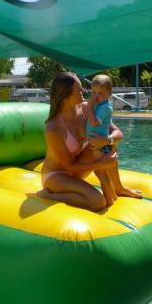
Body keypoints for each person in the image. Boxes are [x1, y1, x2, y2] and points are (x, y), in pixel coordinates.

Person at [37, 72, 117, 211]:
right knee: (97, 202)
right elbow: (69, 166)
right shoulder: (54, 128)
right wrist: (100, 163)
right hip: (56, 175)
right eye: (79, 90)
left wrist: (108, 141)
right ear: (65, 96)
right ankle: (48, 196)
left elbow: (116, 133)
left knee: (104, 143)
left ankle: (119, 188)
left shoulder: (85, 110)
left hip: (75, 171)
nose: (84, 92)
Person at [85, 74, 117, 205]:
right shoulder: (102, 104)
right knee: (102, 172)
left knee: (101, 173)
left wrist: (89, 106)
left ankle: (109, 199)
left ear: (109, 93)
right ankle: (112, 195)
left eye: (101, 93)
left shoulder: (105, 108)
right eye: (94, 93)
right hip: (98, 142)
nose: (96, 96)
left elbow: (94, 123)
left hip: (99, 143)